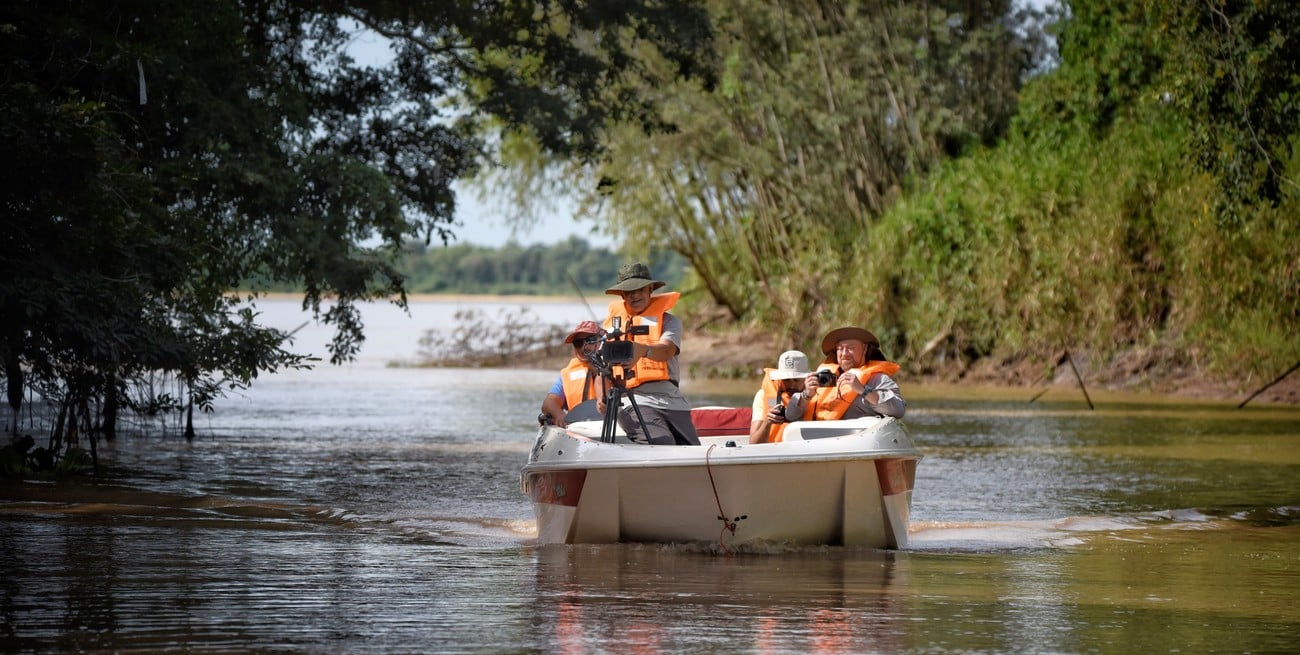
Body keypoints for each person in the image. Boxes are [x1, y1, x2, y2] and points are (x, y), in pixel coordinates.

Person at [599, 262, 700, 445]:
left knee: (692, 450)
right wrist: (602, 396)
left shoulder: (670, 322)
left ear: (650, 289)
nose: (635, 295)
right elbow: (601, 364)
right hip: (631, 399)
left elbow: (667, 349)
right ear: (622, 295)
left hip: (671, 398)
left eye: (640, 289)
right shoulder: (612, 328)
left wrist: (643, 350)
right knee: (663, 444)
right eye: (629, 292)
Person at [784, 326, 906, 422]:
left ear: (864, 349)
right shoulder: (822, 377)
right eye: (840, 349)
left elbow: (898, 410)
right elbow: (790, 416)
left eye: (850, 348)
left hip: (858, 440)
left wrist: (863, 390)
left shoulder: (878, 379)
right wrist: (807, 394)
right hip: (821, 441)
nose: (844, 353)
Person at [539, 320, 606, 428]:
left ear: (601, 341)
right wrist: (560, 415)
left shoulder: (616, 367)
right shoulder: (567, 374)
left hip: (611, 428)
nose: (585, 346)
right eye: (578, 343)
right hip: (579, 430)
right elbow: (549, 402)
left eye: (590, 340)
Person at [749, 350, 810, 444]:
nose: (792, 385)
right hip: (775, 453)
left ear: (806, 378)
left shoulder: (817, 395)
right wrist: (767, 422)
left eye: (796, 380)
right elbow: (753, 444)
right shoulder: (762, 395)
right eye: (786, 380)